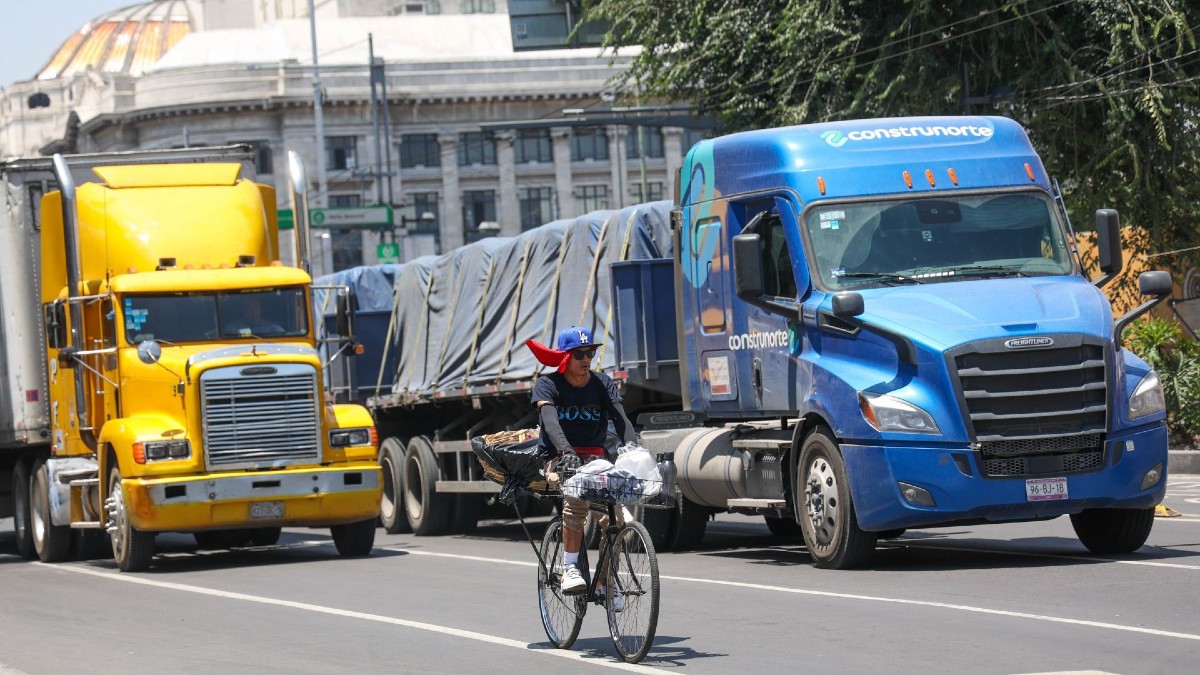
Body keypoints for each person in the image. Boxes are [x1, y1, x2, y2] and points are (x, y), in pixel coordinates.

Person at [527, 326, 637, 609]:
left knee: (618, 521)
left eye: (590, 352)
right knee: (577, 500)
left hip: (595, 460)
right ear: (565, 357)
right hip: (558, 456)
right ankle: (570, 568)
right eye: (579, 354)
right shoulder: (548, 384)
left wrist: (635, 448)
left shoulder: (602, 383)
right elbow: (550, 422)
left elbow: (621, 418)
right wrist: (566, 452)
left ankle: (605, 582)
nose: (586, 358)